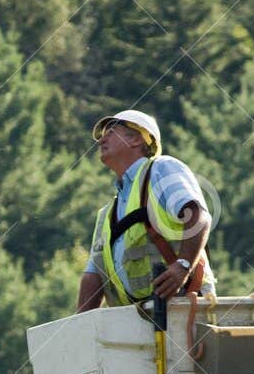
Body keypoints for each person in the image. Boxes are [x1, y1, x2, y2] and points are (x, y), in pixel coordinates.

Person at [76, 108, 217, 312]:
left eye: (111, 132)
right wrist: (79, 327)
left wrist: (183, 266)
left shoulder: (162, 169)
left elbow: (198, 215)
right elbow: (94, 274)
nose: (101, 141)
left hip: (183, 306)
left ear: (136, 139)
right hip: (138, 320)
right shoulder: (107, 215)